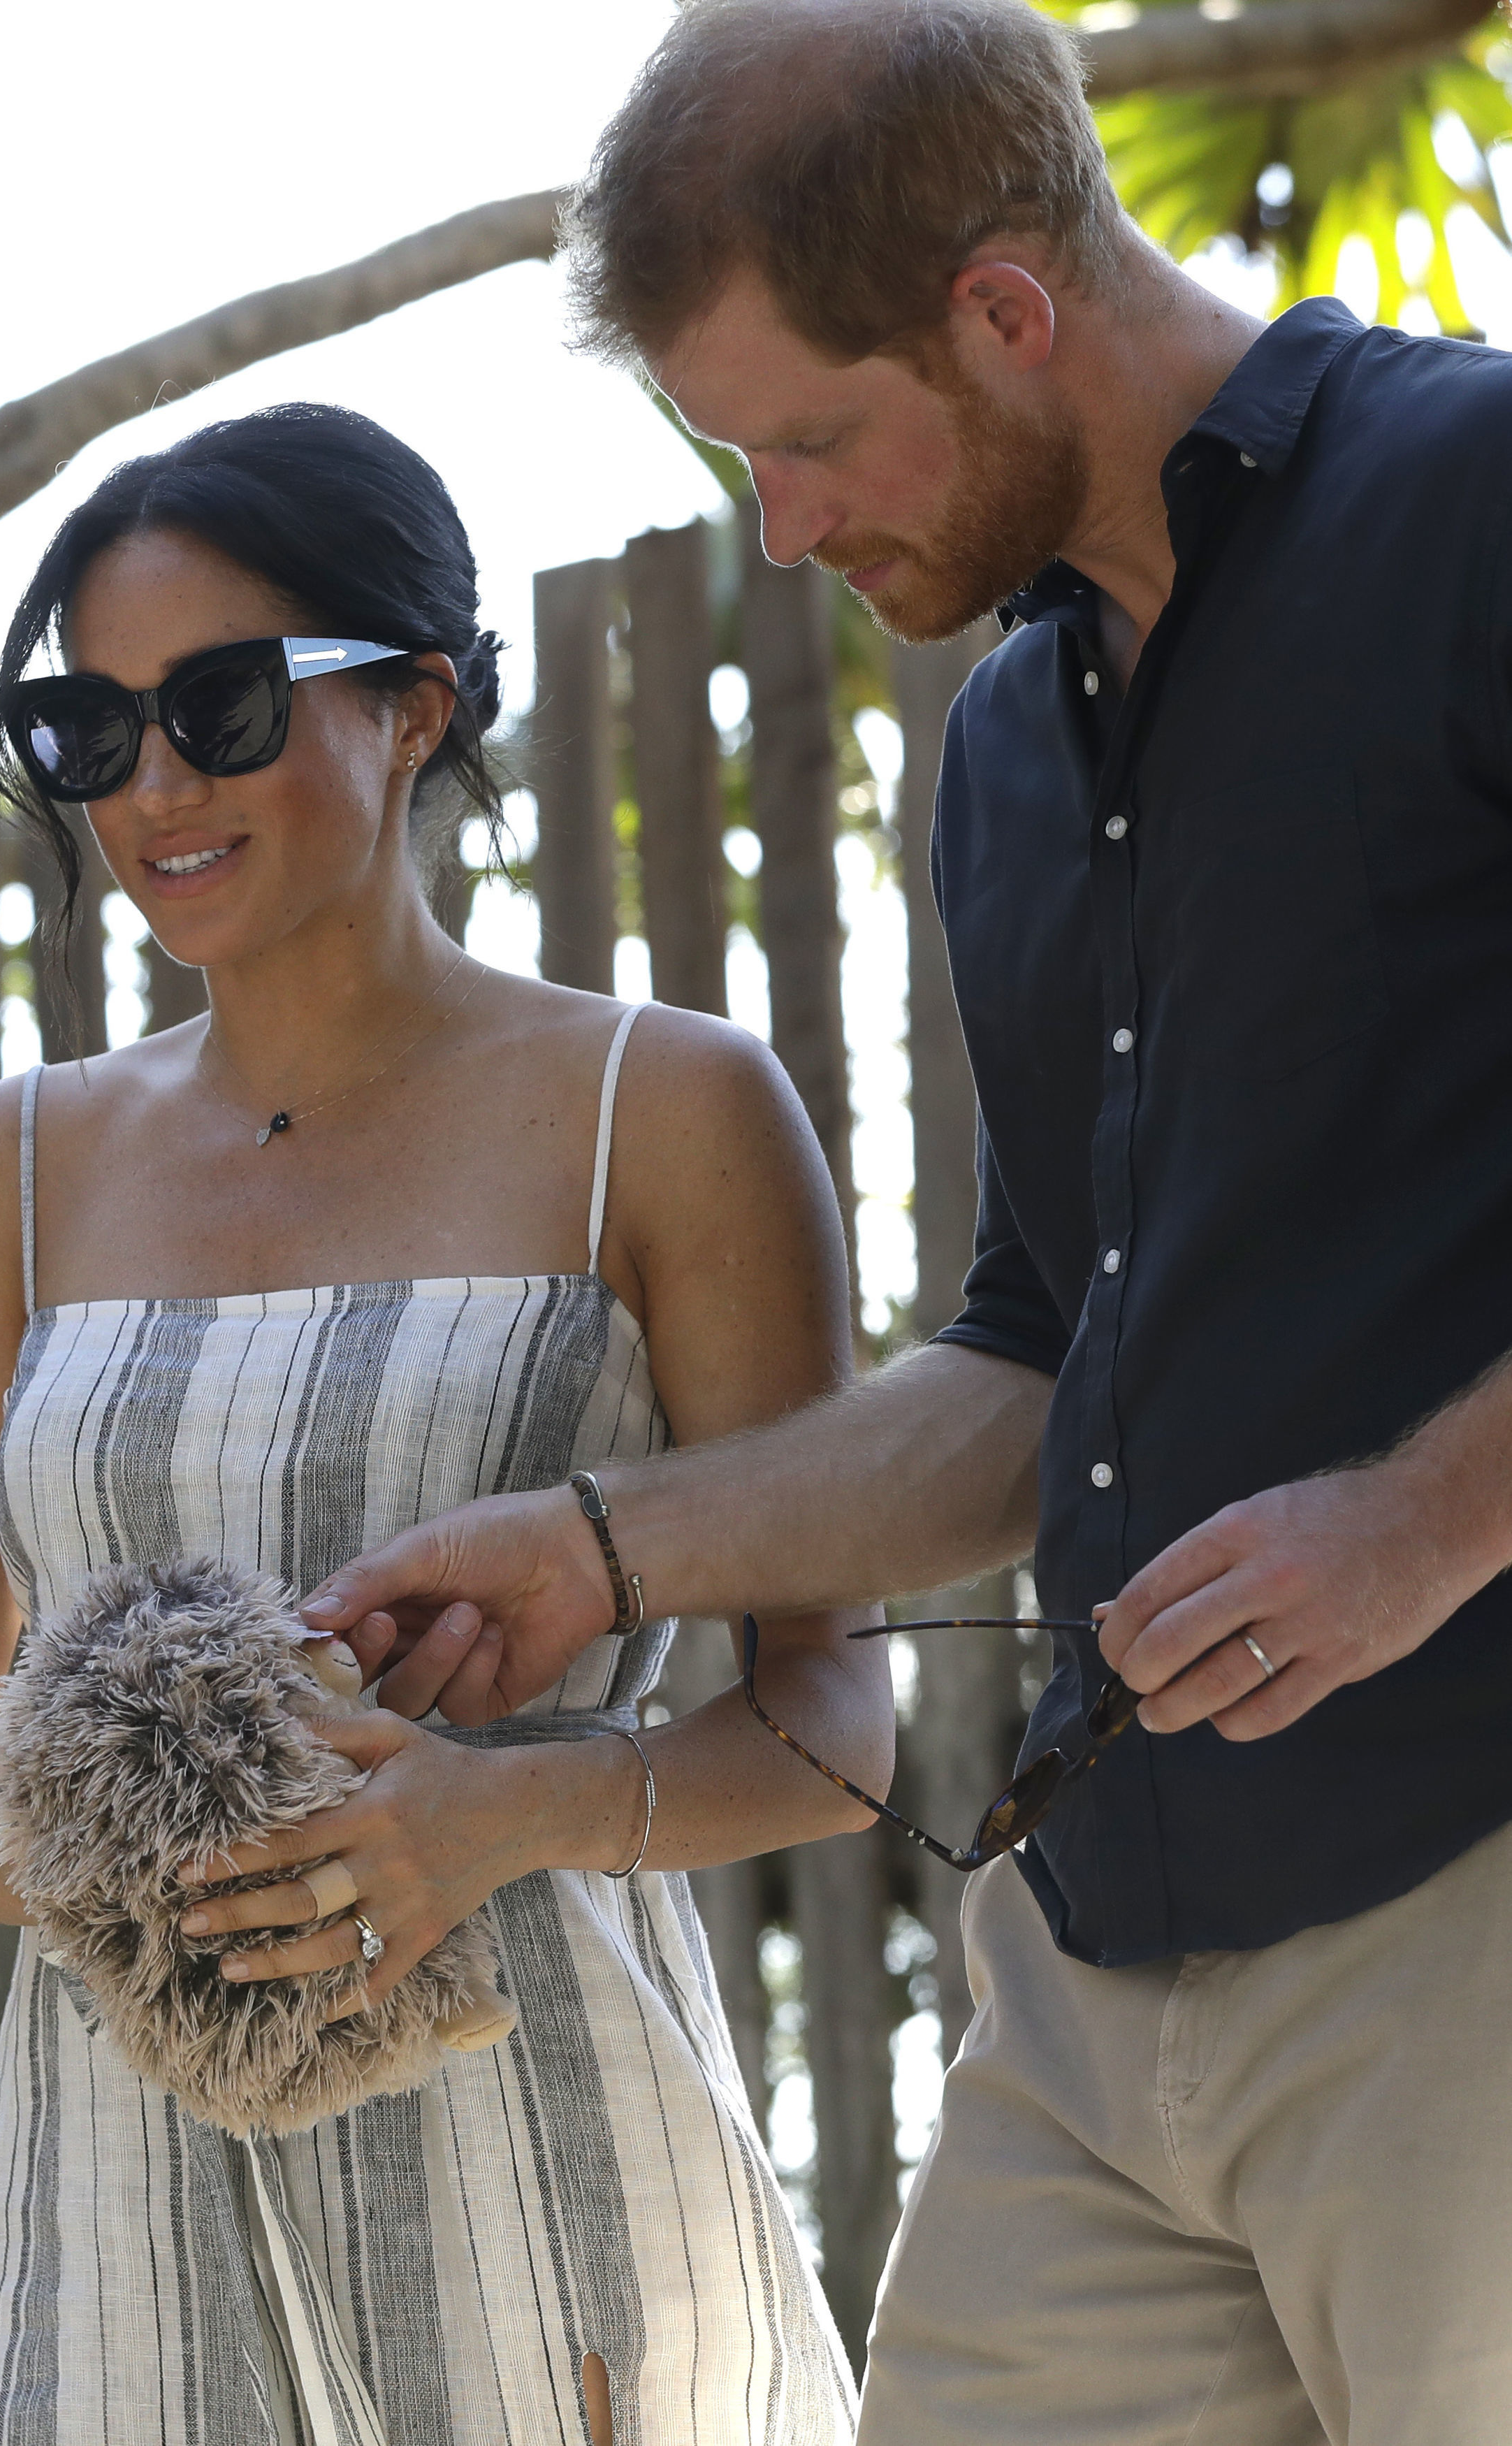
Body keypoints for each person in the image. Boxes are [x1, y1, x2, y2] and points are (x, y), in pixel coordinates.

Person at [297, 5, 1512, 2441]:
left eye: (811, 438)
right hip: (1096, 1972)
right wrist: (599, 1549)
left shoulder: (1477, 501)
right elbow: (1035, 1347)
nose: (785, 524)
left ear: (1004, 306)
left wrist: (1420, 1516)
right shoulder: (1014, 740)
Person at [0, 402, 887, 2445]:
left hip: (548, 2146)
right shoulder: (21, 1163)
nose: (153, 786)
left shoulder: (660, 1114)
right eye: (91, 731)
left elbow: (836, 1719)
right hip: (120, 2178)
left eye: (224, 706)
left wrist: (500, 1812)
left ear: (416, 706)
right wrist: (181, 1875)